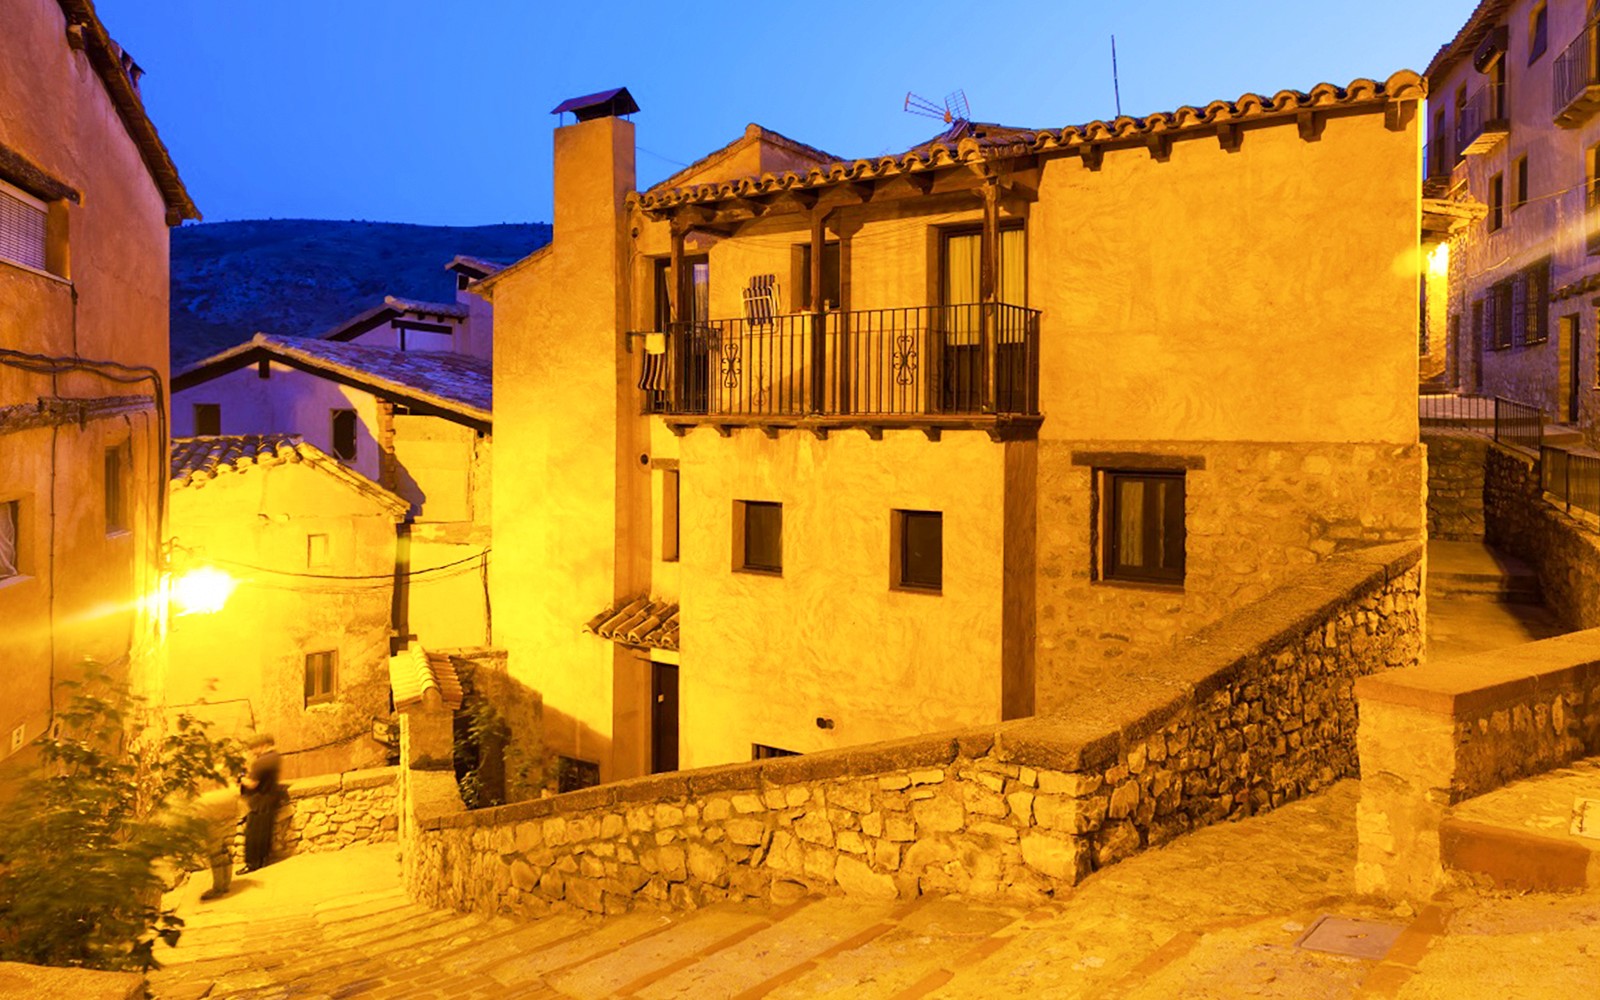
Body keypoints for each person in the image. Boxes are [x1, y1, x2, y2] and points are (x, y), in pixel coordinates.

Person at [239, 733, 283, 873]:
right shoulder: (275, 757)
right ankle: (263, 860)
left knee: (253, 834)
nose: (252, 751)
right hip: (270, 799)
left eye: (253, 748)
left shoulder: (261, 762)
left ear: (263, 745)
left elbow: (252, 784)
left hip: (259, 802)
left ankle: (252, 864)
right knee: (265, 832)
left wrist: (241, 778)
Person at [194, 783, 240, 900]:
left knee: (216, 856)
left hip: (215, 825)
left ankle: (218, 888)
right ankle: (226, 885)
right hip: (229, 820)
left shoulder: (202, 800)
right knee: (226, 853)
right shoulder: (229, 791)